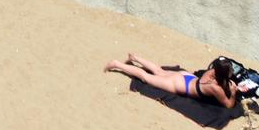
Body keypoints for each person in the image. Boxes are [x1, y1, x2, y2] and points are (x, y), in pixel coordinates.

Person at [102, 53, 239, 109]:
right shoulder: (215, 88)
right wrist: (233, 93)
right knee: (145, 77)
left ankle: (135, 57)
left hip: (186, 77)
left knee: (158, 70)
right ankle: (117, 64)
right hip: (180, 85)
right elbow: (228, 105)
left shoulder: (211, 71)